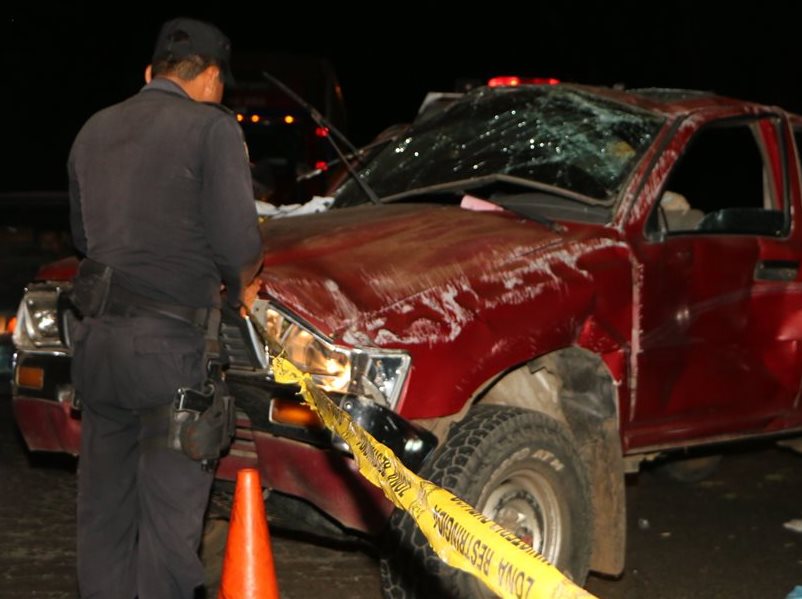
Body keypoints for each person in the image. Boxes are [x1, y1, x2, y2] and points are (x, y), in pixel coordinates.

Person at [67, 17, 263, 598]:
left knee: (103, 518)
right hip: (171, 356)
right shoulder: (212, 128)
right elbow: (238, 244)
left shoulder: (93, 129)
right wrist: (242, 284)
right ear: (207, 77)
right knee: (168, 529)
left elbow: (84, 237)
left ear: (150, 74)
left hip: (99, 346)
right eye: (220, 83)